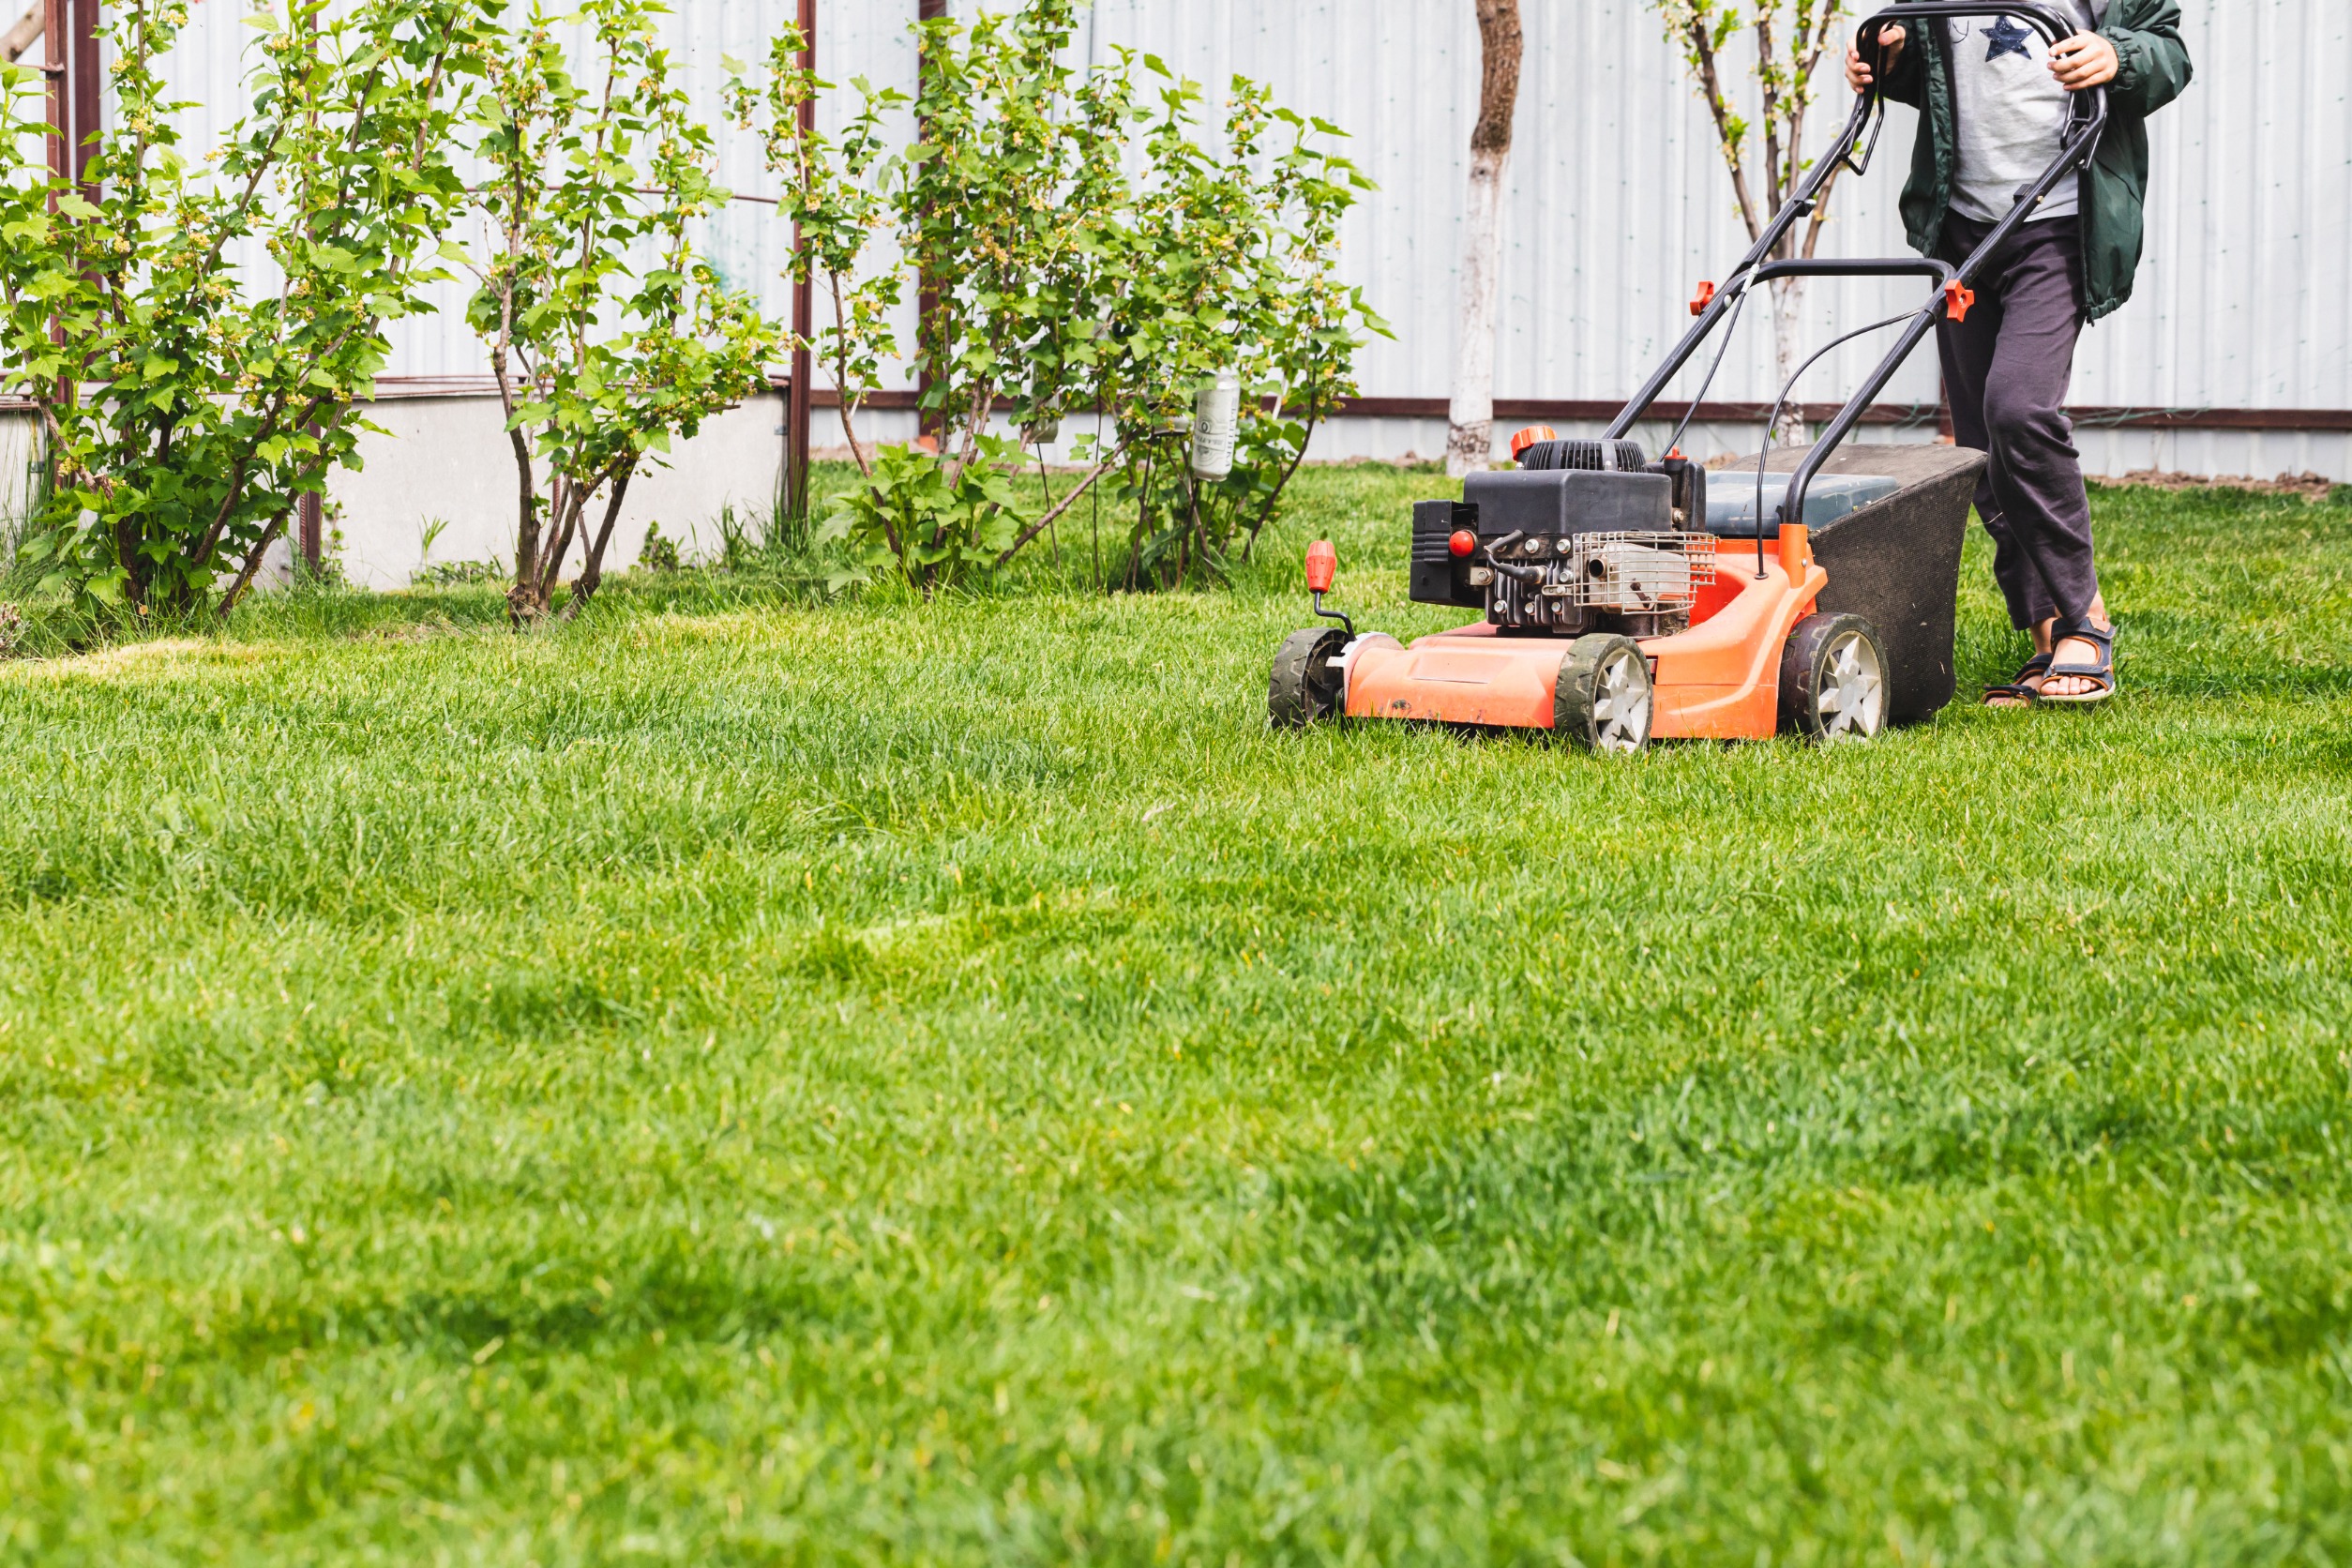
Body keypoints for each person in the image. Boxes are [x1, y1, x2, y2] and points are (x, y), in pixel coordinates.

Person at [1847, 3, 2191, 704]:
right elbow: (1946, 85)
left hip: (2060, 218)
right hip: (1965, 231)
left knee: (2019, 410)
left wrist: (2118, 56)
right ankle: (2044, 635)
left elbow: (2169, 53)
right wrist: (1886, 68)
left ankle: (2085, 619)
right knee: (1979, 442)